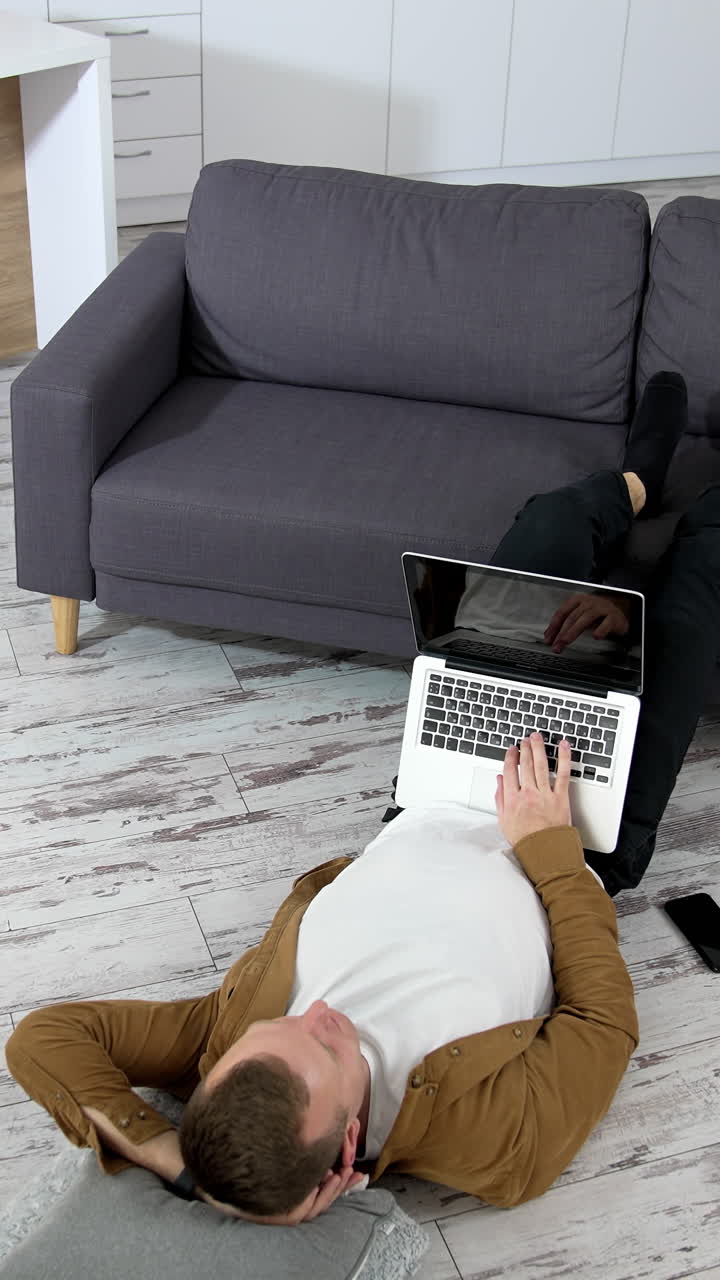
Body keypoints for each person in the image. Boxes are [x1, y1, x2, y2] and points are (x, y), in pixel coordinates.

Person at [7, 373, 717, 1229]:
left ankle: (636, 481)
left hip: (436, 791)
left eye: (277, 1028)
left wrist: (168, 1155)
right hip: (580, 835)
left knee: (546, 531)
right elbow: (603, 1024)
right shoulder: (496, 1149)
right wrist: (547, 850)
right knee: (691, 606)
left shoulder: (228, 1044)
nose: (317, 1011)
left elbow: (43, 1040)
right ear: (348, 1150)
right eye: (326, 1044)